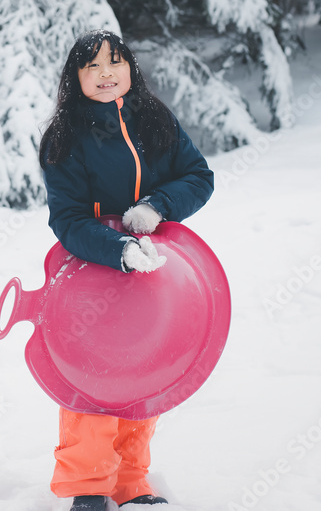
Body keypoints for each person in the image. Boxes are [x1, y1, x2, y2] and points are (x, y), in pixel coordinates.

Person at [38, 29, 215, 510]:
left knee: (143, 374)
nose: (104, 74)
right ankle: (88, 487)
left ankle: (130, 482)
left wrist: (159, 206)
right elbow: (67, 219)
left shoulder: (155, 119)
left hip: (154, 271)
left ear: (130, 67)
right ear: (75, 78)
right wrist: (115, 246)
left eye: (113, 63)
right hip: (91, 272)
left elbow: (199, 176)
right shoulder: (64, 137)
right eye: (91, 66)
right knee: (93, 380)